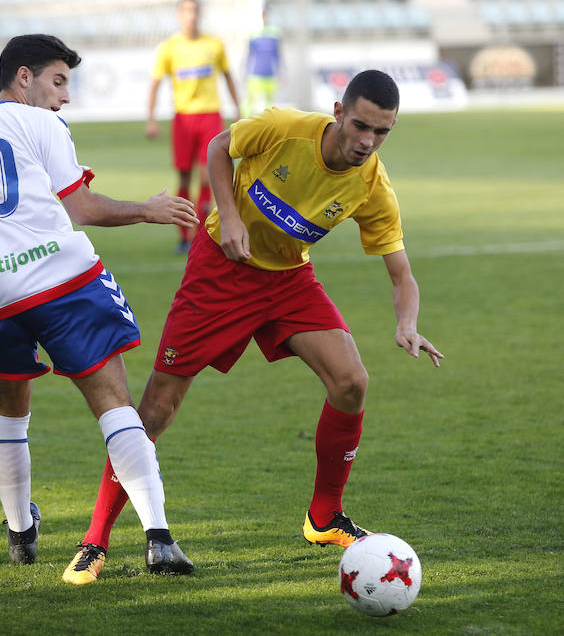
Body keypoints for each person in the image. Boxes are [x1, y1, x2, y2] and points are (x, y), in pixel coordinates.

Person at [68, 70, 444, 584]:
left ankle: (324, 517)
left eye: (381, 132)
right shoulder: (286, 127)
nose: (367, 142)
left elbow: (402, 274)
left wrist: (408, 323)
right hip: (219, 270)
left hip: (288, 280)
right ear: (338, 110)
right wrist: (230, 214)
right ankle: (95, 541)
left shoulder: (372, 184)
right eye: (360, 126)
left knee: (352, 381)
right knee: (156, 408)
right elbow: (220, 147)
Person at [0, 34, 198, 585]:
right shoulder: (40, 125)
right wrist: (147, 210)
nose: (65, 98)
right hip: (62, 281)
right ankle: (159, 539)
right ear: (23, 77)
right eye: (59, 82)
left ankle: (19, 533)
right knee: (114, 404)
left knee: (10, 412)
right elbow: (83, 208)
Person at [146, 0, 241, 254]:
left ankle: (201, 235)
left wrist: (237, 110)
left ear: (200, 14)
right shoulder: (169, 48)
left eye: (195, 10)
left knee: (208, 176)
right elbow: (155, 83)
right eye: (187, 11)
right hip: (184, 118)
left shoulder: (214, 44)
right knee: (185, 176)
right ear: (179, 15)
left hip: (210, 115)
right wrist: (151, 119)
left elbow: (228, 76)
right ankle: (183, 236)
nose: (192, 15)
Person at [241, 7, 281, 117]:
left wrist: (280, 72)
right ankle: (244, 122)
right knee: (250, 100)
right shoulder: (254, 33)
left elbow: (277, 55)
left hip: (270, 74)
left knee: (269, 103)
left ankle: (268, 125)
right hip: (256, 74)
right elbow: (249, 55)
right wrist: (245, 71)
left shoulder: (274, 33)